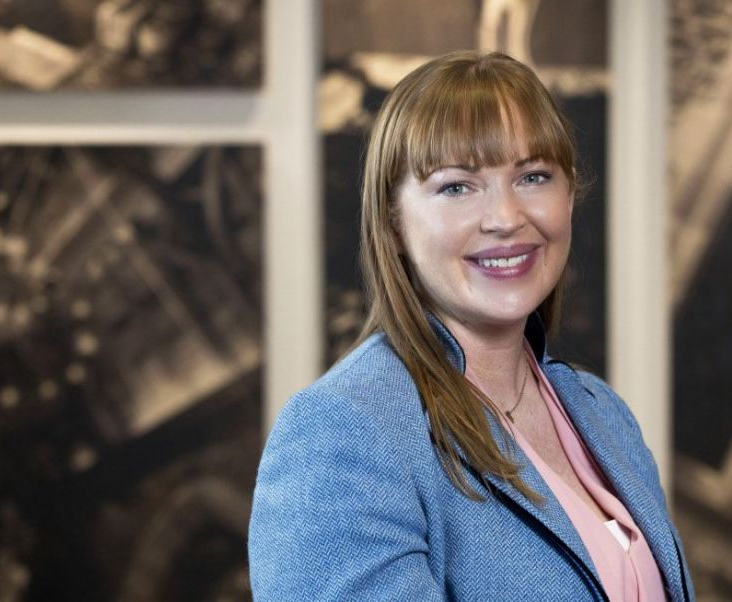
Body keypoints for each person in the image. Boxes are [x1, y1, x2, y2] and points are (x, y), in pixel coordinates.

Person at [248, 50, 694, 601]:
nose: (506, 218)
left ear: (569, 195)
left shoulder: (601, 413)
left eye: (533, 176)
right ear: (393, 223)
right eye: (457, 186)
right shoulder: (342, 434)